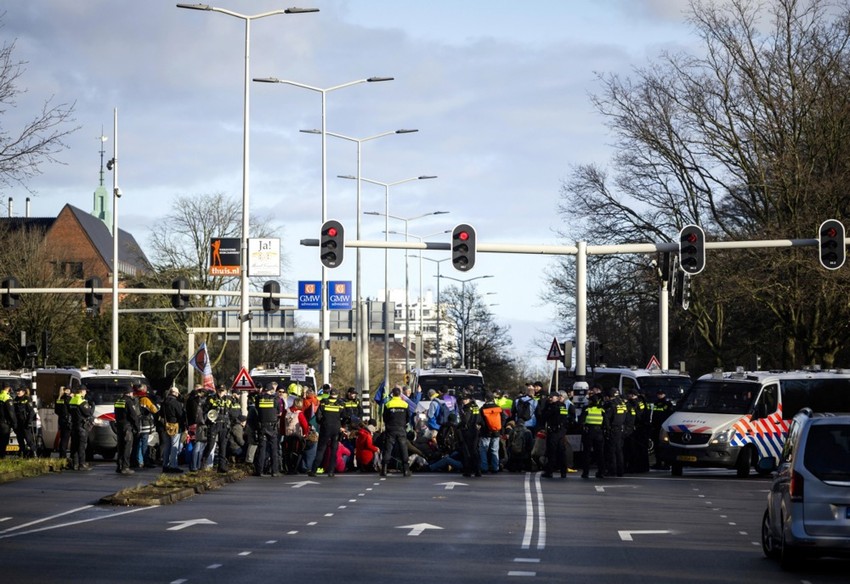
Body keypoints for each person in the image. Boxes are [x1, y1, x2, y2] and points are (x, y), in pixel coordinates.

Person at [309, 387, 344, 477]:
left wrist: (322, 423)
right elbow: (345, 417)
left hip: (325, 428)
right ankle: (331, 471)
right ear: (337, 395)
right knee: (334, 450)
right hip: (336, 429)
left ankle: (313, 470)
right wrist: (342, 426)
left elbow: (318, 416)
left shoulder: (324, 402)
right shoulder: (340, 404)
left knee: (321, 450)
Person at [380, 386, 411, 477]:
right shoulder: (405, 404)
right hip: (401, 428)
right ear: (400, 394)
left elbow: (385, 417)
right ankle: (406, 470)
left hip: (391, 429)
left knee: (388, 449)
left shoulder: (388, 404)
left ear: (392, 394)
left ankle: (384, 469)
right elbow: (408, 417)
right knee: (403, 449)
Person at [539, 391, 571, 478]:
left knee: (551, 452)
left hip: (554, 432)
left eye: (552, 397)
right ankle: (563, 472)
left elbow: (544, 417)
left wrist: (546, 406)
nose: (550, 398)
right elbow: (564, 419)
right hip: (561, 432)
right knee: (561, 452)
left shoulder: (552, 407)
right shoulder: (563, 406)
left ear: (557, 398)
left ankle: (549, 472)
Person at [254, 383, 282, 477]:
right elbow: (279, 412)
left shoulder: (258, 399)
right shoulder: (275, 399)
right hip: (272, 426)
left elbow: (257, 409)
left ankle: (259, 471)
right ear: (271, 390)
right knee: (274, 449)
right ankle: (274, 471)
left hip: (262, 426)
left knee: (262, 448)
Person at [114, 385, 141, 474]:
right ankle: (125, 467)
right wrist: (137, 428)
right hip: (127, 427)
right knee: (127, 447)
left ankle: (119, 466)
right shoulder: (129, 402)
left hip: (119, 426)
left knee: (120, 447)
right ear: (130, 393)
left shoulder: (118, 401)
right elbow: (133, 416)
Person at [580, 393, 607, 479]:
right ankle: (601, 472)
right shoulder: (602, 409)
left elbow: (581, 420)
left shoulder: (587, 409)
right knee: (600, 453)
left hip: (589, 432)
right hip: (599, 432)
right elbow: (606, 422)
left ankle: (585, 473)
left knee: (587, 453)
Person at [160, 386, 186, 473]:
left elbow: (161, 414)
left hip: (166, 426)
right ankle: (173, 465)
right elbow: (180, 415)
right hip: (175, 425)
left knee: (167, 446)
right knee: (175, 446)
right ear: (175, 393)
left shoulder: (164, 402)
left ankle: (165, 465)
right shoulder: (176, 403)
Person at [623, 389, 650, 473]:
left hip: (638, 428)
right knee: (642, 449)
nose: (628, 396)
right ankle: (643, 467)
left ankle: (635, 467)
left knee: (635, 449)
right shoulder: (643, 402)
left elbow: (638, 416)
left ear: (632, 395)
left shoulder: (636, 403)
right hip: (643, 428)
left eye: (629, 394)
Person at [68, 386, 94, 471]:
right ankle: (82, 464)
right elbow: (89, 413)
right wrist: (92, 406)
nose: (86, 392)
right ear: (81, 391)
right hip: (81, 427)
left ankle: (75, 464)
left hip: (74, 426)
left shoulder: (72, 400)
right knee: (82, 446)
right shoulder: (81, 401)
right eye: (85, 391)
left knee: (74, 446)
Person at [478, 392, 504, 473]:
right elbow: (503, 419)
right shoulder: (498, 408)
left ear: (485, 399)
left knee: (483, 450)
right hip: (496, 432)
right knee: (495, 450)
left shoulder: (483, 408)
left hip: (486, 432)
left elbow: (480, 421)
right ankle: (495, 467)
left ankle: (484, 467)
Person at [458, 390, 482, 478]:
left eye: (465, 399)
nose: (463, 401)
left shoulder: (466, 408)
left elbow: (465, 420)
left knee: (467, 451)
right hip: (475, 431)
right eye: (463, 399)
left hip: (467, 431)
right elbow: (478, 418)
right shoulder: (475, 406)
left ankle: (468, 470)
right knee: (475, 450)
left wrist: (458, 425)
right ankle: (477, 470)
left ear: (469, 399)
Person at [282, 397, 309, 474]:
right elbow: (305, 425)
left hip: (287, 434)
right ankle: (294, 468)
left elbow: (282, 423)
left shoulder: (286, 411)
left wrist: (282, 432)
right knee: (297, 451)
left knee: (287, 451)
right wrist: (305, 433)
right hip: (297, 435)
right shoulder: (299, 413)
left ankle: (288, 468)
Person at [134, 385, 158, 469]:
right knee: (144, 443)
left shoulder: (134, 398)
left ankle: (138, 461)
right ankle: (145, 461)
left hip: (136, 424)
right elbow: (154, 410)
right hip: (145, 424)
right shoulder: (146, 399)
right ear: (144, 390)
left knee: (138, 443)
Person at [604, 388, 627, 477]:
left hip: (613, 429)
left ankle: (612, 470)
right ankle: (620, 470)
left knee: (611, 451)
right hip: (620, 428)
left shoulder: (611, 405)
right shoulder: (622, 404)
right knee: (619, 451)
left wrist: (607, 428)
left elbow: (607, 418)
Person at [185, 385, 208, 471]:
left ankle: (194, 465)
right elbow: (198, 414)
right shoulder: (197, 400)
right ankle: (195, 465)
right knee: (198, 445)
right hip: (198, 424)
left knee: (194, 444)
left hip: (191, 424)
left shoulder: (189, 398)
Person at [650, 389, 674, 469]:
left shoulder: (667, 403)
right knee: (657, 446)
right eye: (658, 394)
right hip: (656, 427)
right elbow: (654, 415)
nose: (659, 395)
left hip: (664, 427)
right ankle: (658, 462)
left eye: (661, 394)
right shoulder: (656, 403)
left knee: (665, 445)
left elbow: (669, 415)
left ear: (664, 394)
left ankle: (667, 464)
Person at [12, 387, 36, 458]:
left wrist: (29, 422)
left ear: (23, 392)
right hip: (18, 423)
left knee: (28, 440)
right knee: (20, 439)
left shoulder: (27, 399)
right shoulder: (15, 399)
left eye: (19, 391)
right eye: (17, 391)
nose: (18, 393)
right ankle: (22, 454)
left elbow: (32, 412)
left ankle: (34, 453)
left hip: (25, 423)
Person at [54, 386, 72, 461]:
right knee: (66, 439)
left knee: (63, 439)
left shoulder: (59, 399)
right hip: (68, 421)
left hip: (61, 421)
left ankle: (62, 456)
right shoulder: (68, 399)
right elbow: (71, 409)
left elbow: (56, 411)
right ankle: (64, 457)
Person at [0, 385, 17, 459]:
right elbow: (11, 413)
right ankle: (1, 457)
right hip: (5, 424)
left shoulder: (0, 395)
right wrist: (14, 423)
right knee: (3, 441)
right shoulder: (7, 398)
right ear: (9, 388)